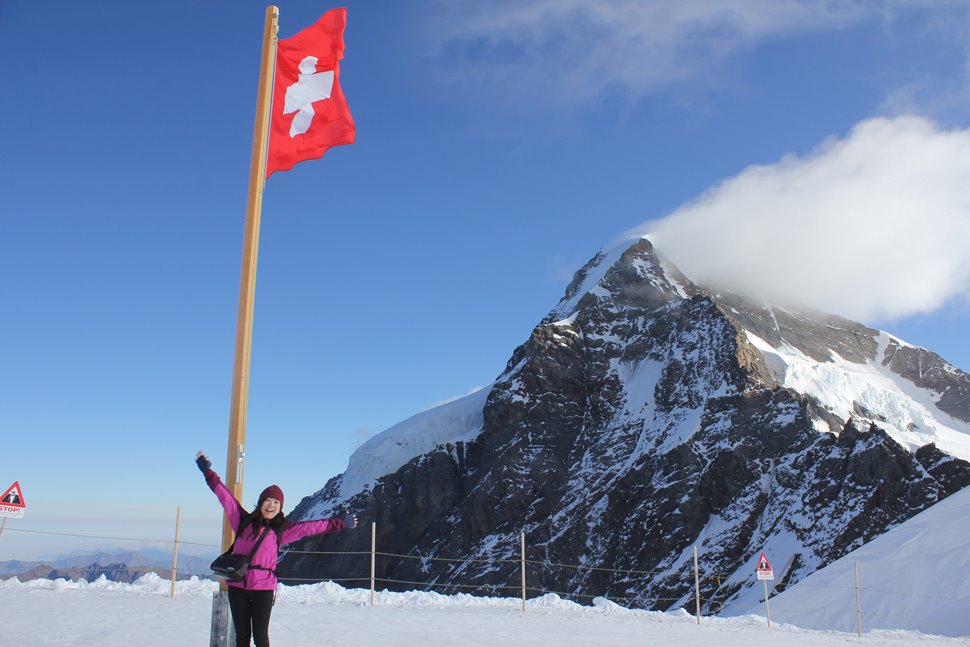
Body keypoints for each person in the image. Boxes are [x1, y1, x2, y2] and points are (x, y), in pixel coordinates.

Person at [196, 451, 357, 647]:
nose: (271, 505)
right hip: (237, 587)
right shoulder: (242, 520)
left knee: (261, 638)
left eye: (276, 502)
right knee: (242, 638)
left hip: (263, 590)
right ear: (261, 502)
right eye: (268, 500)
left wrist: (340, 523)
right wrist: (207, 472)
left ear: (280, 508)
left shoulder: (281, 531)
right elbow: (224, 496)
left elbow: (312, 527)